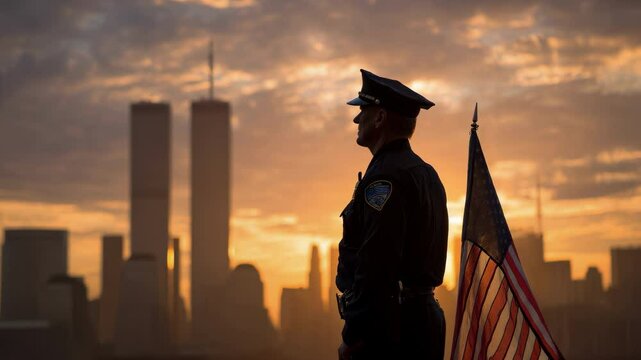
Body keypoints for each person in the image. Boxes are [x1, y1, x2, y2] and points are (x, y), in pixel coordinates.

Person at [336, 69, 449, 359]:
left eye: (363, 110)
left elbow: (377, 261)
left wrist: (355, 336)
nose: (356, 119)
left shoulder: (384, 178)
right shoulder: (426, 173)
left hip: (389, 329)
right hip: (423, 321)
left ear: (380, 118)